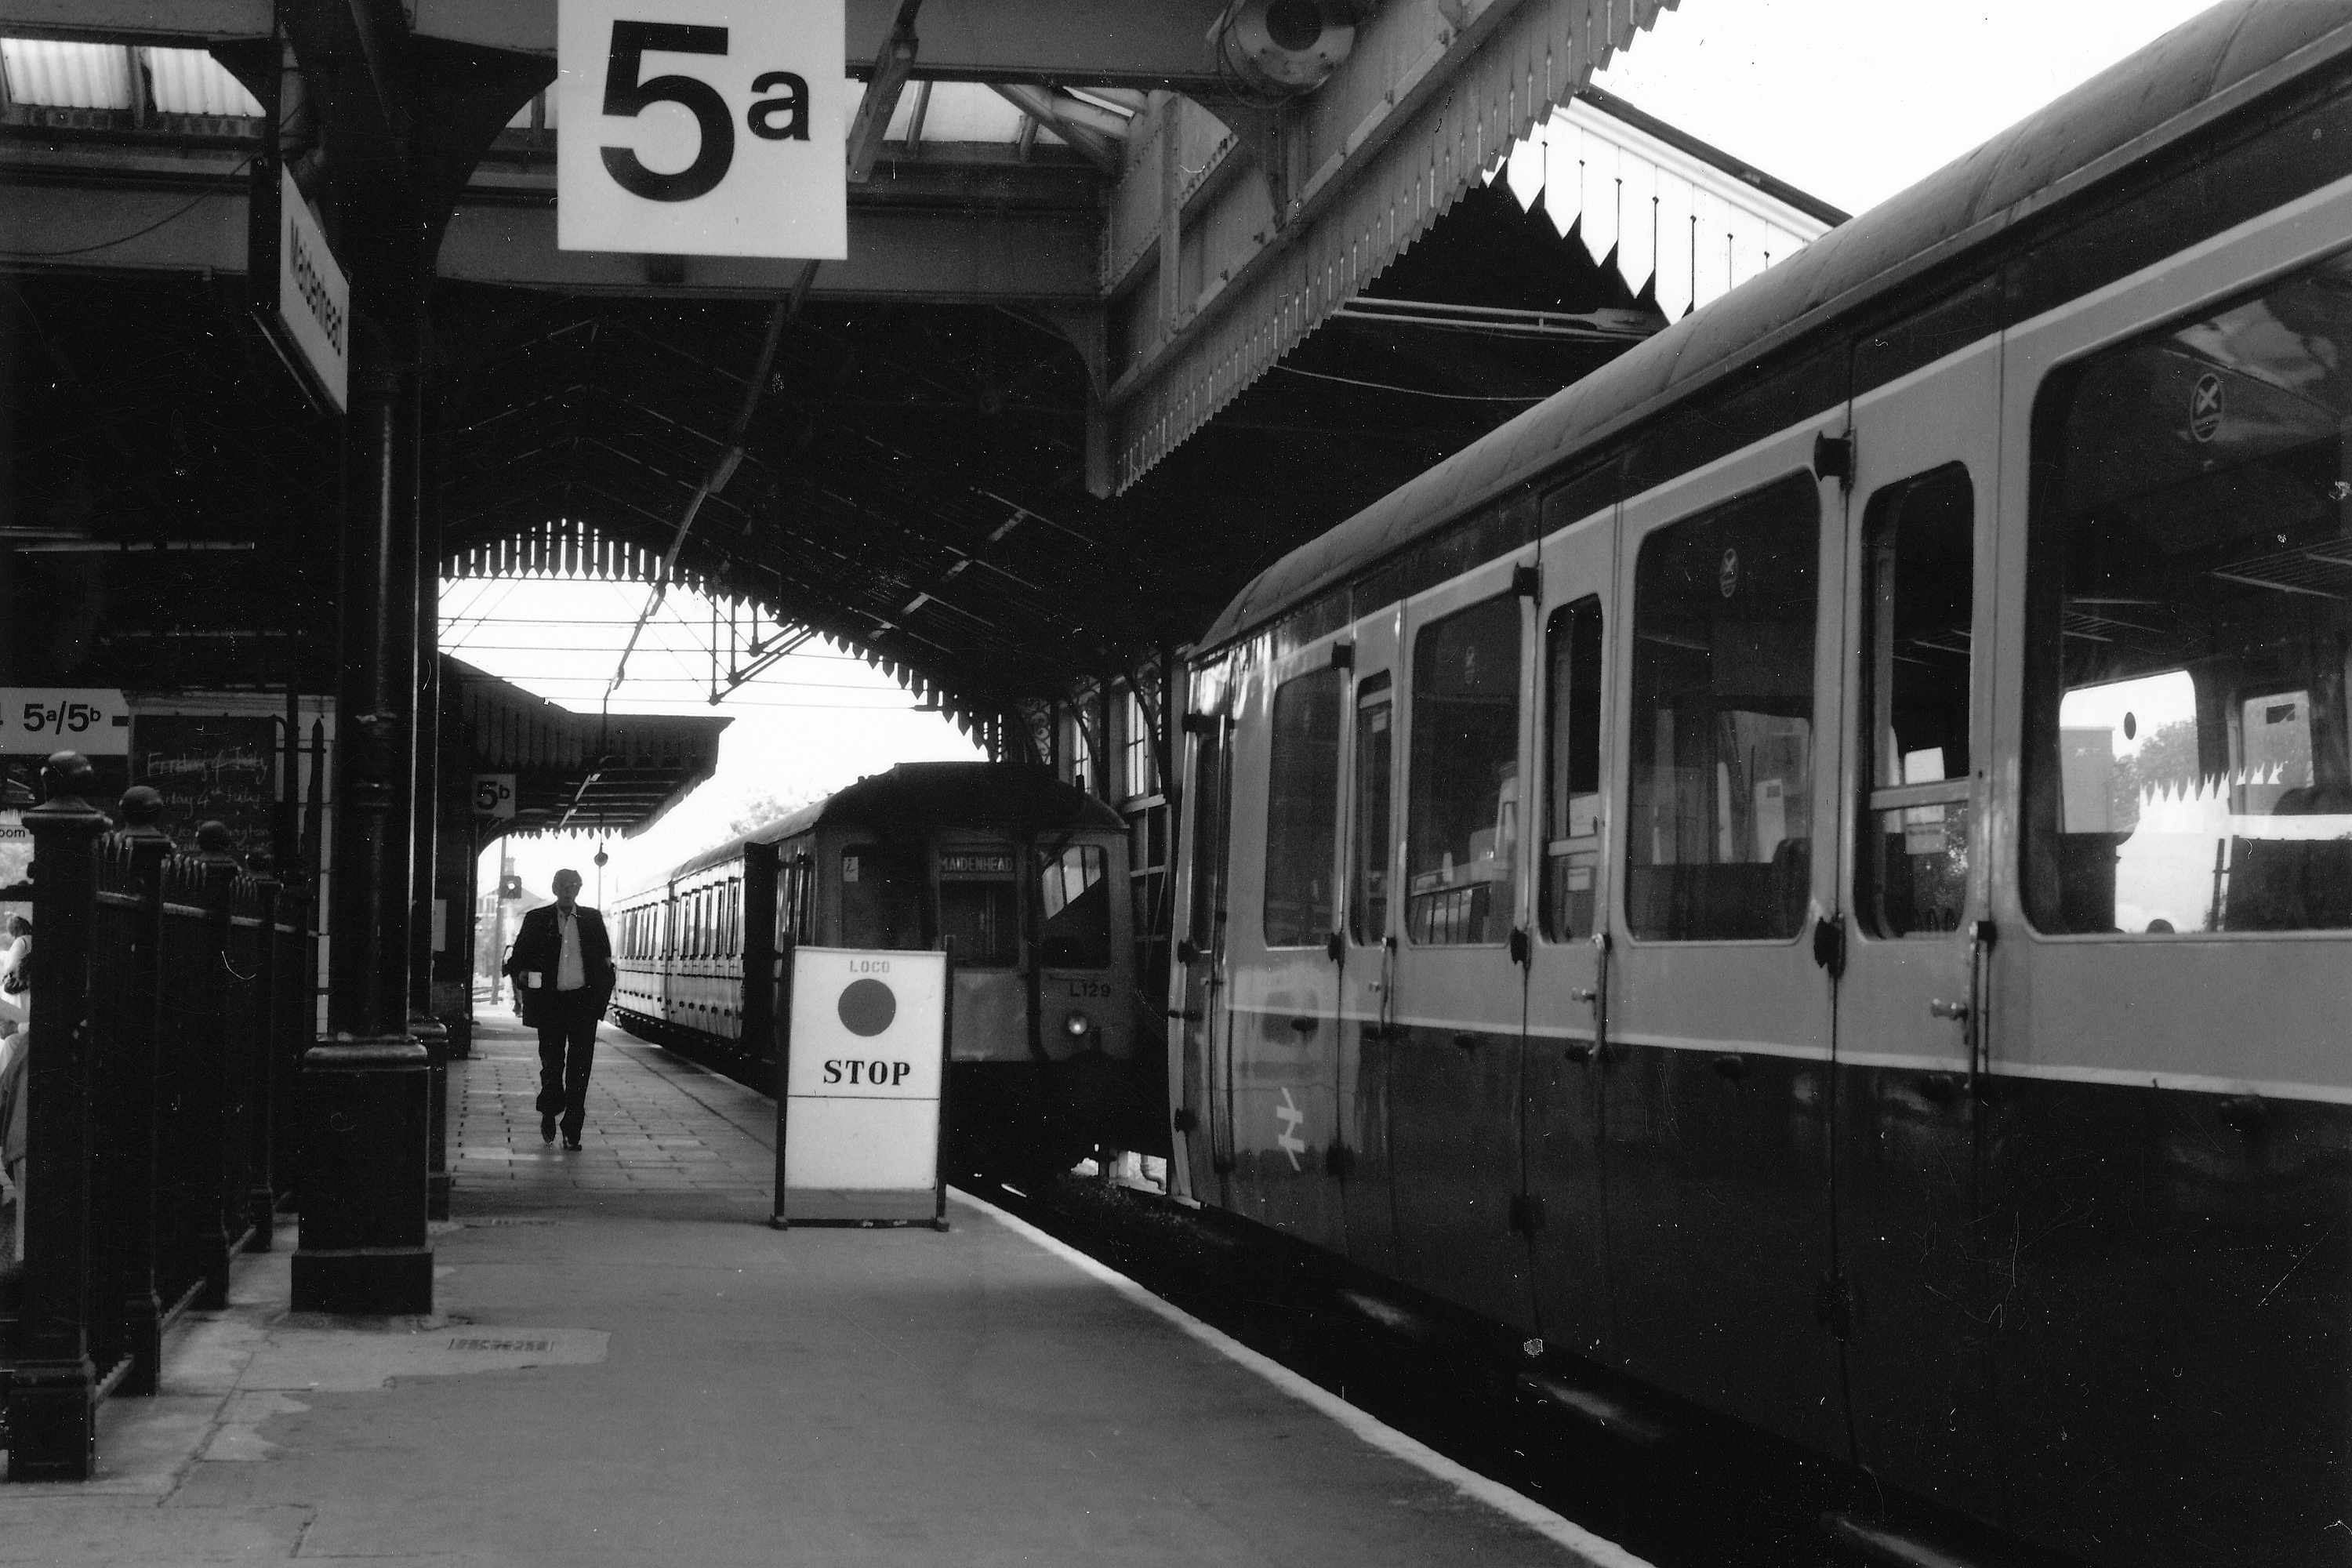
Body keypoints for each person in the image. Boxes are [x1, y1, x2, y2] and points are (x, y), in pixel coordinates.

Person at [502, 869, 615, 1151]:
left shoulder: (592, 919)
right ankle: (550, 1110)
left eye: (574, 886)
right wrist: (523, 977)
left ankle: (573, 1129)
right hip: (550, 1005)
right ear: (555, 888)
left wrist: (599, 1003)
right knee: (552, 1065)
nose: (569, 891)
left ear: (579, 889)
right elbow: (518, 959)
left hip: (582, 1005)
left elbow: (605, 961)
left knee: (580, 1069)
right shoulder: (537, 919)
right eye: (564, 886)